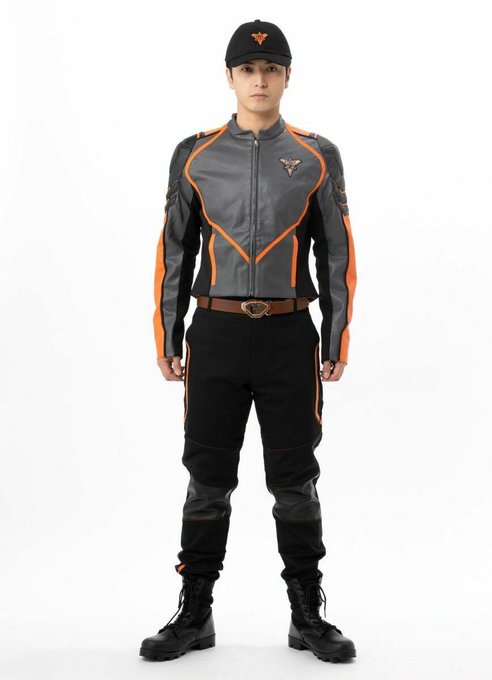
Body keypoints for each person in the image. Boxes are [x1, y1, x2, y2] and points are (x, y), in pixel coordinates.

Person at [139, 19, 357, 663]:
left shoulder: (317, 155)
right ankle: (195, 612)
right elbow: (174, 250)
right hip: (216, 335)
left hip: (291, 336)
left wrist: (336, 336)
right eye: (247, 70)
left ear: (287, 77)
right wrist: (167, 332)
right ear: (230, 77)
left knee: (296, 479)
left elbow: (337, 253)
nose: (259, 80)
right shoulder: (195, 154)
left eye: (271, 69)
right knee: (207, 478)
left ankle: (307, 615)